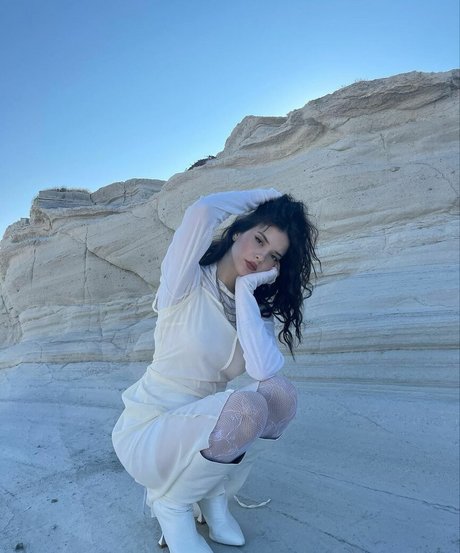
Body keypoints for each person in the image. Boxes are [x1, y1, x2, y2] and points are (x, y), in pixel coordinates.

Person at [112, 188, 319, 553]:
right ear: (237, 232)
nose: (261, 256)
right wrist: (267, 197)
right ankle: (173, 505)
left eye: (274, 256)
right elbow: (202, 211)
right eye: (259, 239)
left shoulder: (255, 312)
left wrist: (246, 291)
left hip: (205, 428)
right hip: (152, 429)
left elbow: (265, 372)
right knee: (247, 408)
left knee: (280, 396)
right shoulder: (185, 281)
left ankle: (213, 497)